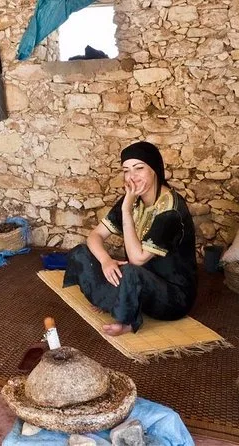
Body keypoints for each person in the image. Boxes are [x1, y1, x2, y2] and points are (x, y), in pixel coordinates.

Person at [63, 141, 197, 336]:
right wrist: (105, 260)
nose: (132, 176)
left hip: (173, 297)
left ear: (154, 170)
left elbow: (137, 260)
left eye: (139, 168)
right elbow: (95, 236)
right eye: (126, 170)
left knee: (130, 272)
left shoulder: (171, 211)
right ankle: (115, 300)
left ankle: (126, 319)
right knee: (81, 253)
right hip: (134, 282)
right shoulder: (132, 198)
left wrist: (126, 211)